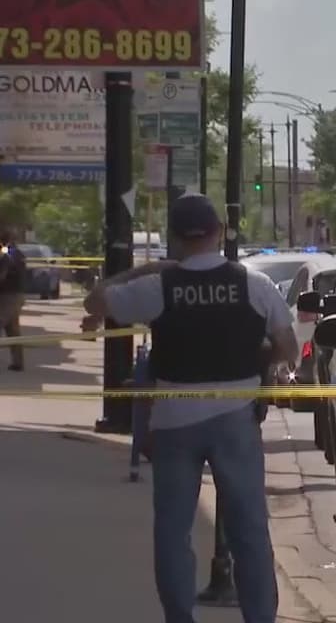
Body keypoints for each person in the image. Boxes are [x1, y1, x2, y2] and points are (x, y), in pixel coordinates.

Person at [81, 194, 296, 623]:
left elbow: (96, 301)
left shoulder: (158, 287)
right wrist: (257, 360)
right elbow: (288, 348)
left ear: (175, 238)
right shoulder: (254, 285)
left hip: (174, 420)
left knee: (173, 531)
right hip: (236, 416)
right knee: (250, 530)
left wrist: (149, 268)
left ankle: (180, 616)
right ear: (220, 232)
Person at [0, 228, 28, 371]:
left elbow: (2, 275)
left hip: (8, 296)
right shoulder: (16, 252)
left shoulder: (7, 254)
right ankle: (18, 362)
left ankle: (18, 362)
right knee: (12, 329)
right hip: (16, 294)